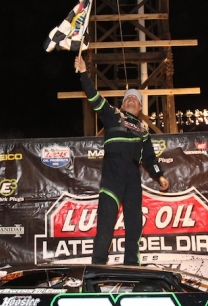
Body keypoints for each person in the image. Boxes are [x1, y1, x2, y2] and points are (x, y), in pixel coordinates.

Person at [74, 56, 169, 266]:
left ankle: (132, 267)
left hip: (133, 179)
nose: (131, 100)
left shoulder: (144, 131)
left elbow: (150, 158)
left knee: (134, 224)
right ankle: (98, 267)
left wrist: (159, 175)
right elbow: (93, 97)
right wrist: (83, 73)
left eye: (135, 98)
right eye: (127, 98)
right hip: (112, 176)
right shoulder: (112, 115)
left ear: (141, 107)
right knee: (106, 222)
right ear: (123, 104)